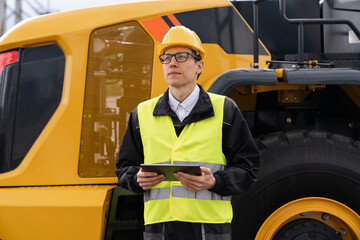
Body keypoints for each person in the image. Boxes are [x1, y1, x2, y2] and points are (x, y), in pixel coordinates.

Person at [115, 26, 260, 240]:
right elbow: (123, 168)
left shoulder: (225, 111)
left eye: (181, 56)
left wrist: (215, 182)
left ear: (199, 65)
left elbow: (249, 169)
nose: (172, 62)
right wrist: (136, 179)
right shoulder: (141, 114)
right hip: (160, 230)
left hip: (209, 230)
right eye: (166, 57)